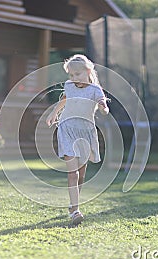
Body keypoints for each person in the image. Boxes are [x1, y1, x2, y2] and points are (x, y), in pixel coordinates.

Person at [46, 54, 109, 225]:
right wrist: (53, 114)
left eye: (77, 74)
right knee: (72, 174)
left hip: (85, 133)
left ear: (88, 71)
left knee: (81, 176)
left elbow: (103, 104)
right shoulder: (69, 86)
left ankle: (73, 205)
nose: (74, 78)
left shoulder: (95, 90)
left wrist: (104, 107)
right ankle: (75, 210)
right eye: (71, 75)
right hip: (67, 129)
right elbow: (65, 99)